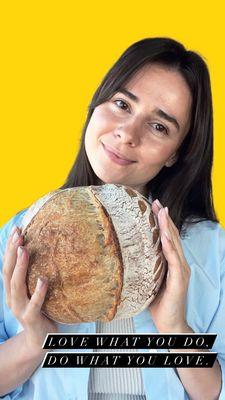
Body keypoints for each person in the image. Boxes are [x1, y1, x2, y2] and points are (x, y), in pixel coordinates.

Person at [0, 37, 224, 400]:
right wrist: (34, 343)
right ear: (96, 105)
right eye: (122, 104)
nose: (127, 134)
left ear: (174, 155)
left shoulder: (210, 249)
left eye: (159, 127)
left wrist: (175, 328)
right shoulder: (18, 237)